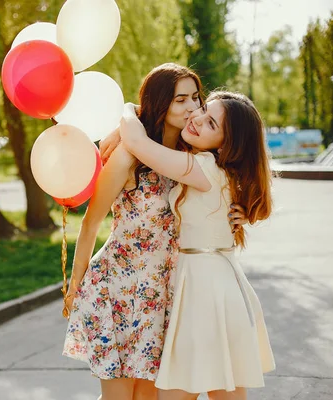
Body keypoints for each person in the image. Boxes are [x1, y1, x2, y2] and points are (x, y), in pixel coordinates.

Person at [61, 63, 246, 400]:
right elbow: (91, 223)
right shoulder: (129, 156)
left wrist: (238, 213)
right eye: (181, 100)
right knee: (119, 396)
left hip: (163, 294)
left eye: (196, 98)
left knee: (149, 397)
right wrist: (75, 286)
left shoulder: (192, 156)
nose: (192, 107)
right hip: (116, 288)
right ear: (161, 103)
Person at [118, 91, 276, 400]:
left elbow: (137, 143)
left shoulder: (202, 168)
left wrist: (130, 108)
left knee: (189, 390)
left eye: (210, 123)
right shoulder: (217, 171)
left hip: (206, 289)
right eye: (203, 110)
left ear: (226, 143)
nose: (197, 119)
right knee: (220, 387)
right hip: (210, 284)